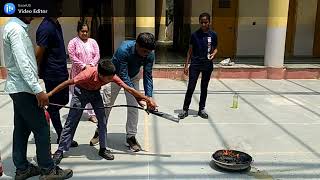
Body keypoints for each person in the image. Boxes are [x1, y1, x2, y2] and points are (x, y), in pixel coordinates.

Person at [3, 17, 72, 180]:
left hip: (19, 88)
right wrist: (37, 89)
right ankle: (48, 170)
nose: (33, 15)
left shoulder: (14, 27)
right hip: (24, 89)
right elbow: (23, 63)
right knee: (41, 127)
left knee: (21, 129)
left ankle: (22, 168)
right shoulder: (16, 30)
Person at [50, 59, 157, 164]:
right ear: (101, 75)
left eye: (112, 77)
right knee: (71, 121)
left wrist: (147, 99)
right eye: (109, 78)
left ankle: (103, 148)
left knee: (102, 120)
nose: (112, 79)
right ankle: (60, 150)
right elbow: (66, 83)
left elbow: (129, 89)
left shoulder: (111, 75)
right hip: (80, 94)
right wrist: (49, 95)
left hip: (95, 94)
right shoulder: (87, 74)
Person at [89, 32, 157, 152]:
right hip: (114, 76)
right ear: (137, 45)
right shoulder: (123, 50)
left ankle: (131, 137)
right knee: (106, 105)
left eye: (149, 52)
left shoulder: (149, 54)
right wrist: (138, 96)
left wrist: (149, 97)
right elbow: (123, 77)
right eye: (144, 51)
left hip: (133, 76)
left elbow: (148, 75)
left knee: (133, 107)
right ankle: (100, 131)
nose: (146, 55)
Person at [35, 14, 78, 147]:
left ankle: (51, 116)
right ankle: (61, 135)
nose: (61, 7)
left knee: (64, 100)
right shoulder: (45, 27)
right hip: (52, 73)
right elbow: (39, 52)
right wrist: (36, 71)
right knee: (54, 106)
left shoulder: (56, 23)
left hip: (60, 70)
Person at [178, 12, 218, 119]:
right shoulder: (194, 35)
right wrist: (186, 65)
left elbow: (215, 48)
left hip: (207, 65)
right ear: (199, 22)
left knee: (204, 88)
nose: (204, 24)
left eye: (206, 22)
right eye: (202, 22)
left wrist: (213, 54)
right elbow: (189, 51)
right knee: (191, 87)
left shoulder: (213, 35)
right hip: (195, 64)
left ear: (209, 22)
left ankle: (201, 109)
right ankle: (185, 109)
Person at [68, 20, 100, 123]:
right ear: (78, 31)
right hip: (78, 72)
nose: (85, 33)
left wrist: (91, 65)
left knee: (91, 91)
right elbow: (72, 57)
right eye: (82, 31)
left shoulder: (93, 42)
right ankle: (75, 113)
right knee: (76, 93)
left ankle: (91, 114)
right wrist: (83, 66)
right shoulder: (73, 42)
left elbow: (97, 55)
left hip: (91, 72)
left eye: (86, 31)